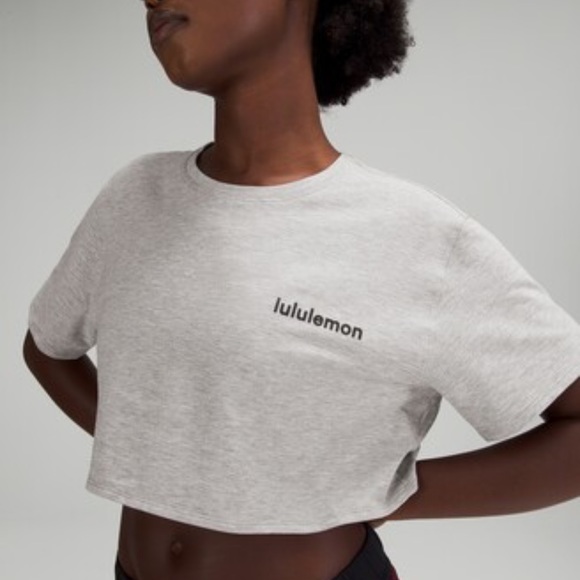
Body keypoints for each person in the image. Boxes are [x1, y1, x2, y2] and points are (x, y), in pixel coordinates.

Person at [22, 1, 580, 579]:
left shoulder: (417, 238)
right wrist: (163, 453)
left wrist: (392, 494)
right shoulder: (136, 197)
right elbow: (47, 346)